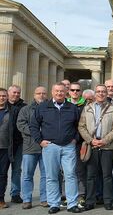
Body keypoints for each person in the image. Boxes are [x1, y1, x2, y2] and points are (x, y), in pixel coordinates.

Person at [30, 83, 82, 214]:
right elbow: (34, 125)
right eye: (57, 91)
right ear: (52, 92)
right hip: (50, 146)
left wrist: (75, 139)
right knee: (51, 176)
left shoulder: (72, 108)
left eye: (62, 91)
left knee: (70, 175)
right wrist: (40, 141)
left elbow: (79, 126)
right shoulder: (42, 107)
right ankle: (54, 203)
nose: (59, 93)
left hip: (68, 147)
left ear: (66, 93)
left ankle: (72, 204)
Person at [78, 84, 113, 211]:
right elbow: (81, 126)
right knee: (91, 175)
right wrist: (91, 140)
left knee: (107, 175)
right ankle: (90, 201)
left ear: (107, 93)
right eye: (98, 91)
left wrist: (104, 140)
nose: (101, 94)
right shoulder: (87, 108)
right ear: (95, 94)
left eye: (103, 91)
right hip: (92, 146)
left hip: (107, 146)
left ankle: (108, 200)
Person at [17, 86, 48, 209]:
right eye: (38, 93)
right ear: (34, 95)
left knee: (46, 175)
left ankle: (44, 199)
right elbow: (21, 124)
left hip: (46, 146)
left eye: (43, 93)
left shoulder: (50, 109)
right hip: (30, 146)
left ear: (47, 95)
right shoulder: (26, 109)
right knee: (27, 174)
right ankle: (27, 199)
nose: (41, 95)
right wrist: (37, 133)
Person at [67, 82, 86, 208]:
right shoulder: (64, 104)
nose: (75, 92)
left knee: (80, 170)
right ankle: (66, 196)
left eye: (77, 90)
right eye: (72, 90)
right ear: (69, 91)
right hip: (66, 142)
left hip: (79, 142)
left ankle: (81, 194)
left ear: (80, 92)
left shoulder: (85, 105)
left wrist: (78, 138)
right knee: (67, 171)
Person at [7, 85, 26, 204]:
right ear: (9, 93)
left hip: (19, 143)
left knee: (17, 170)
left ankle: (15, 193)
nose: (16, 95)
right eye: (14, 92)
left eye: (18, 93)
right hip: (4, 143)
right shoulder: (3, 105)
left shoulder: (24, 107)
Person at [0, 88, 12, 209]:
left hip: (4, 147)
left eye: (4, 96)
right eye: (0, 96)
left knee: (2, 175)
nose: (2, 98)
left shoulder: (11, 111)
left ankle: (1, 199)